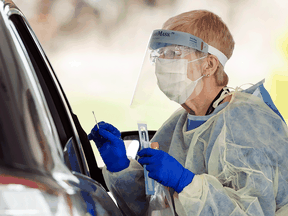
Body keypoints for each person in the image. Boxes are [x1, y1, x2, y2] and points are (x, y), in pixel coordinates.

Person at [88, 10, 288, 216]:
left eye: (173, 54)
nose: (161, 63)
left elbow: (254, 211)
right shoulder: (178, 123)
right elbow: (154, 207)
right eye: (158, 54)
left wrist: (185, 182)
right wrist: (120, 167)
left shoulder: (248, 121)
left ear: (209, 65)